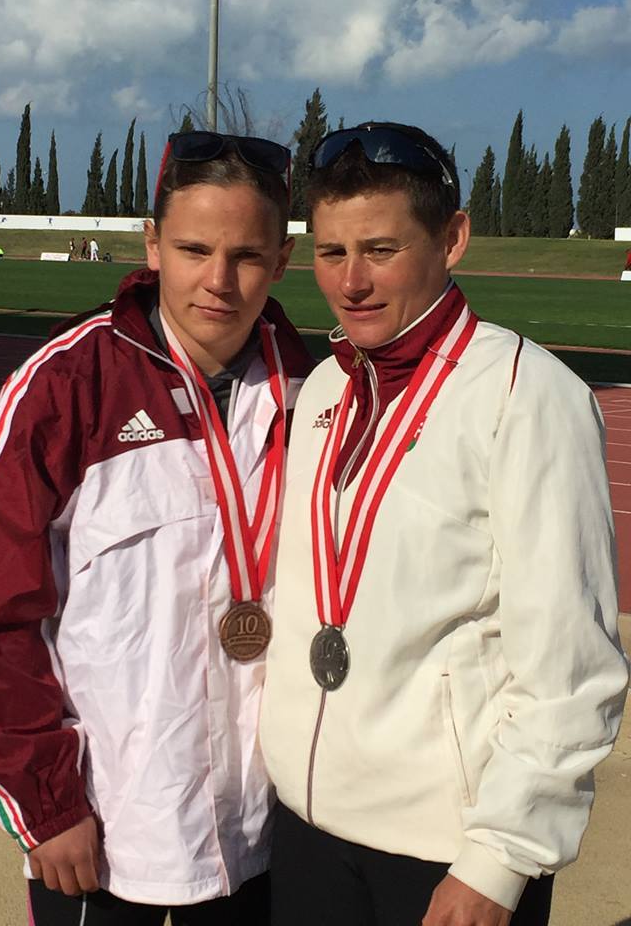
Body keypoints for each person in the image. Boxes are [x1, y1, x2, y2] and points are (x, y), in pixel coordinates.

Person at [0, 131, 313, 925]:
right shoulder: (68, 384)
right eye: (194, 249)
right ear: (153, 244)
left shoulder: (316, 390)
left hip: (268, 826)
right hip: (107, 828)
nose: (218, 281)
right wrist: (46, 805)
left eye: (245, 255)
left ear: (281, 259)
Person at [259, 122, 629, 926]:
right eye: (331, 251)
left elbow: (570, 664)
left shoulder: (527, 396)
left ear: (452, 239)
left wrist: (500, 863)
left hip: (444, 850)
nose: (351, 281)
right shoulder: (324, 389)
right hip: (306, 824)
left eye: (381, 250)